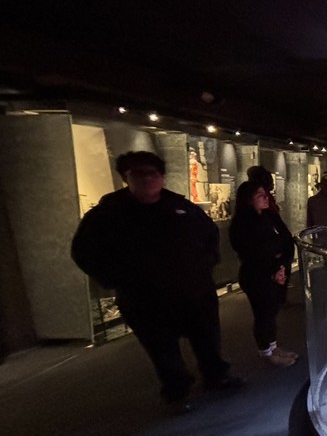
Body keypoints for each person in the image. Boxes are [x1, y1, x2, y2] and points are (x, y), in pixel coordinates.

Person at [71, 151, 244, 414]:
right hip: (146, 300)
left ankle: (216, 375)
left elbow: (209, 235)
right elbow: (84, 252)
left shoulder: (182, 207)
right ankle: (177, 389)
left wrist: (205, 267)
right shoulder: (107, 215)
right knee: (162, 349)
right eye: (138, 174)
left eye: (153, 173)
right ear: (125, 178)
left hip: (195, 293)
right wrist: (116, 280)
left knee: (207, 339)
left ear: (162, 176)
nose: (147, 179)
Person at [229, 181, 298, 367]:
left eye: (265, 193)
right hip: (257, 276)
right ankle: (266, 352)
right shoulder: (241, 224)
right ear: (248, 199)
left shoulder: (269, 217)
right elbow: (253, 252)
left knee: (272, 312)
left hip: (275, 272)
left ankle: (273, 346)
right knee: (263, 314)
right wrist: (274, 267)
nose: (266, 197)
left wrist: (281, 265)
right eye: (260, 195)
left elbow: (284, 241)